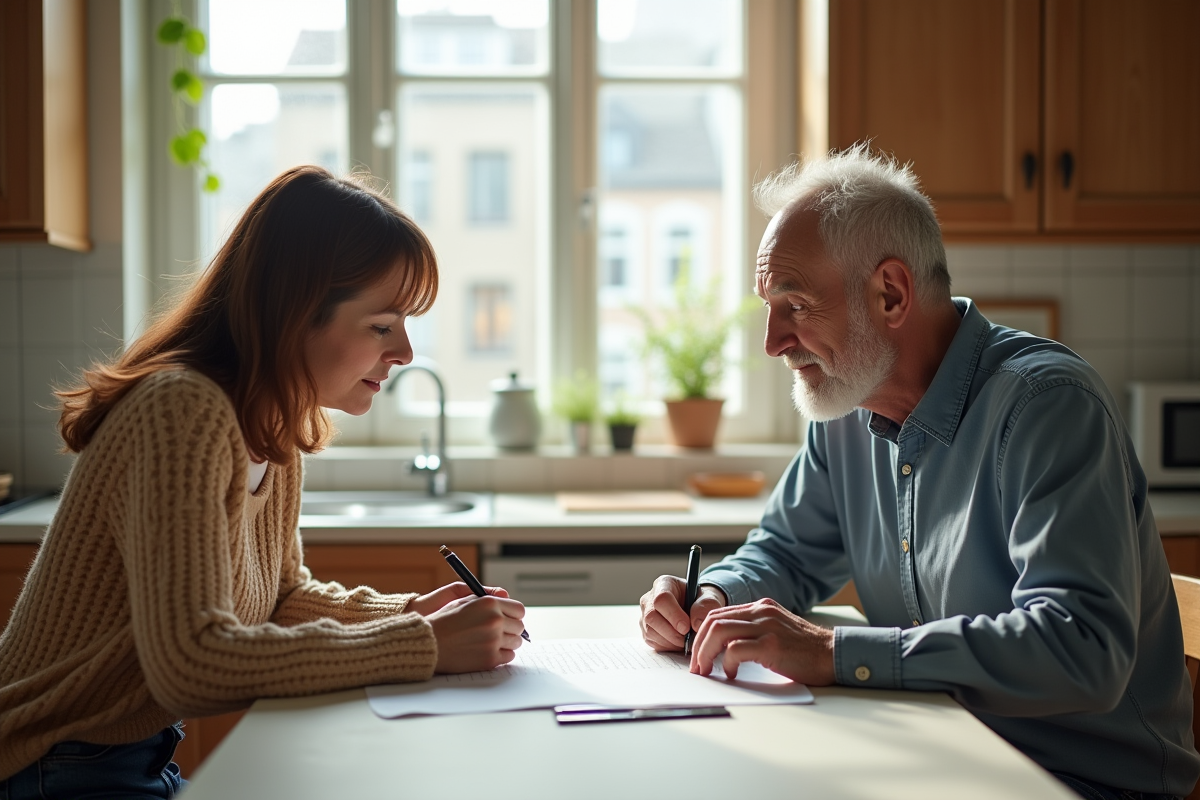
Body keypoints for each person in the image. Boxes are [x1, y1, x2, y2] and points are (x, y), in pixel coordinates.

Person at [639, 145, 1200, 799]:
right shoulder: (846, 410)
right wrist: (715, 598)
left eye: (794, 304)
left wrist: (834, 654)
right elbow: (785, 554)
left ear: (891, 293)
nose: (773, 342)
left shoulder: (1047, 407)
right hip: (941, 755)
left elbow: (1079, 648)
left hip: (1077, 782)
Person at [0, 166, 527, 797]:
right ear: (295, 315)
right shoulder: (181, 410)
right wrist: (422, 645)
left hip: (120, 756)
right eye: (382, 326)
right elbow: (191, 665)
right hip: (45, 765)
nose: (406, 352)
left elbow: (279, 600)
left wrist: (410, 612)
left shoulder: (270, 426)